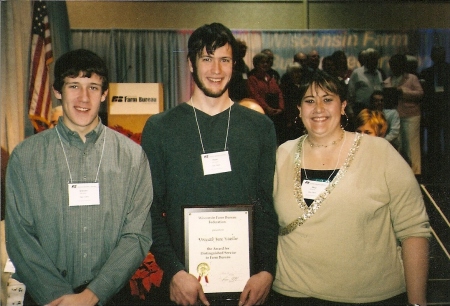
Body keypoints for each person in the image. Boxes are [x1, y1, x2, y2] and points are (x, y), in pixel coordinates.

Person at [141, 23, 278, 306]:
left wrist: (267, 269)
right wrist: (174, 272)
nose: (216, 70)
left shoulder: (260, 126)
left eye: (224, 60)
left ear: (234, 65)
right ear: (191, 64)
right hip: (184, 288)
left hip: (248, 287)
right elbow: (150, 209)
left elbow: (267, 205)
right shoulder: (160, 128)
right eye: (207, 58)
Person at [5, 49, 153, 306]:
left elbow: (137, 235)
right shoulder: (25, 157)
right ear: (57, 91)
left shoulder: (132, 156)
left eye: (93, 87)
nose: (84, 97)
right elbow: (20, 237)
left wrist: (93, 295)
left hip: (111, 298)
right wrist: (59, 297)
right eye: (74, 86)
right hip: (46, 299)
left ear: (105, 94)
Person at [269, 69, 430, 305]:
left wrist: (417, 303)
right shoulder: (282, 153)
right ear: (299, 109)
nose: (318, 109)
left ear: (343, 106)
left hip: (370, 296)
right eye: (310, 101)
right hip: (294, 293)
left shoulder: (379, 152)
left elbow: (414, 231)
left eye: (328, 99)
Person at [384, 53, 424, 175]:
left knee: (412, 147)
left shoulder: (412, 78)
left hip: (411, 115)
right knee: (398, 145)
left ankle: (416, 174)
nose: (394, 67)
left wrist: (403, 91)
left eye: (397, 64)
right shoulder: (387, 80)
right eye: (392, 65)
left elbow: (420, 94)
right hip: (394, 116)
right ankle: (402, 174)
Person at [419, 46, 450, 180]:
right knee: (433, 139)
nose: (438, 56)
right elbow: (424, 96)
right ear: (432, 57)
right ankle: (434, 168)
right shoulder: (426, 73)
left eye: (441, 53)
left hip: (447, 109)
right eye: (436, 54)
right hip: (433, 111)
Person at [248, 52, 285, 144]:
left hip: (274, 114)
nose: (265, 64)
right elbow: (255, 95)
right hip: (261, 114)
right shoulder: (252, 79)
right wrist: (267, 108)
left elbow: (279, 93)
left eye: (266, 62)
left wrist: (280, 108)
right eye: (262, 62)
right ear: (256, 64)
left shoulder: (271, 79)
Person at [347, 48, 384, 117]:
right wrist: (350, 111)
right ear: (366, 60)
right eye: (372, 59)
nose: (375, 62)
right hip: (361, 109)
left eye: (376, 59)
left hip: (376, 109)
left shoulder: (378, 73)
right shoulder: (357, 73)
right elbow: (350, 94)